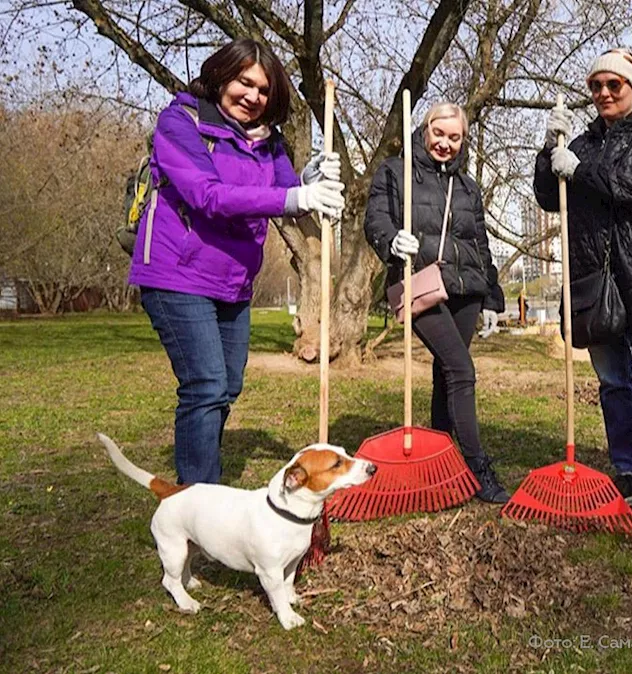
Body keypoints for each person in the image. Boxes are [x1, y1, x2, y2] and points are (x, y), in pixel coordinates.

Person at [129, 38, 346, 486]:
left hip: (232, 280)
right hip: (176, 273)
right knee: (205, 386)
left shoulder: (268, 141)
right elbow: (206, 196)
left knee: (227, 387)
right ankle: (199, 499)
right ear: (221, 76)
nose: (253, 96)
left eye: (263, 90)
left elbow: (289, 196)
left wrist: (311, 181)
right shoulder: (181, 122)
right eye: (244, 83)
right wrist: (295, 194)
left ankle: (201, 477)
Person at [533, 48, 632, 508]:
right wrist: (549, 150)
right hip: (594, 282)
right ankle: (629, 471)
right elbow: (546, 196)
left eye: (612, 85)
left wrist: (582, 170)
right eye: (595, 85)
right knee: (614, 382)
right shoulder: (580, 143)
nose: (602, 93)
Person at [364, 102, 509, 503]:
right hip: (418, 283)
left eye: (454, 137)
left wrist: (493, 299)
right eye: (439, 134)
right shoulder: (396, 172)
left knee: (446, 373)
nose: (445, 143)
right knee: (461, 369)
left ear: (463, 140)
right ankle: (478, 468)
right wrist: (391, 240)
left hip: (467, 289)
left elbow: (481, 244)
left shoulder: (467, 187)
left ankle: (441, 461)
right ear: (425, 130)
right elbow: (374, 220)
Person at [479, 265, 503, 339]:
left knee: (487, 323)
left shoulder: (484, 286)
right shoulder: (497, 288)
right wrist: (500, 308)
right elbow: (500, 298)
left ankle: (484, 334)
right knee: (492, 323)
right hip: (492, 308)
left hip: (486, 307)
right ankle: (486, 334)